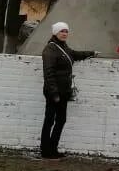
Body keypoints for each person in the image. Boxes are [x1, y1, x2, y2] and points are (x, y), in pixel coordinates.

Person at [40, 22, 97, 159]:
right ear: (55, 33)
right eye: (62, 31)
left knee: (61, 119)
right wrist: (54, 93)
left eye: (66, 31)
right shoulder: (50, 49)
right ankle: (45, 150)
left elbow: (75, 54)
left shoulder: (63, 47)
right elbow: (48, 73)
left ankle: (52, 149)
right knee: (50, 120)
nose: (65, 34)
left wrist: (92, 53)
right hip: (54, 92)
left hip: (63, 92)